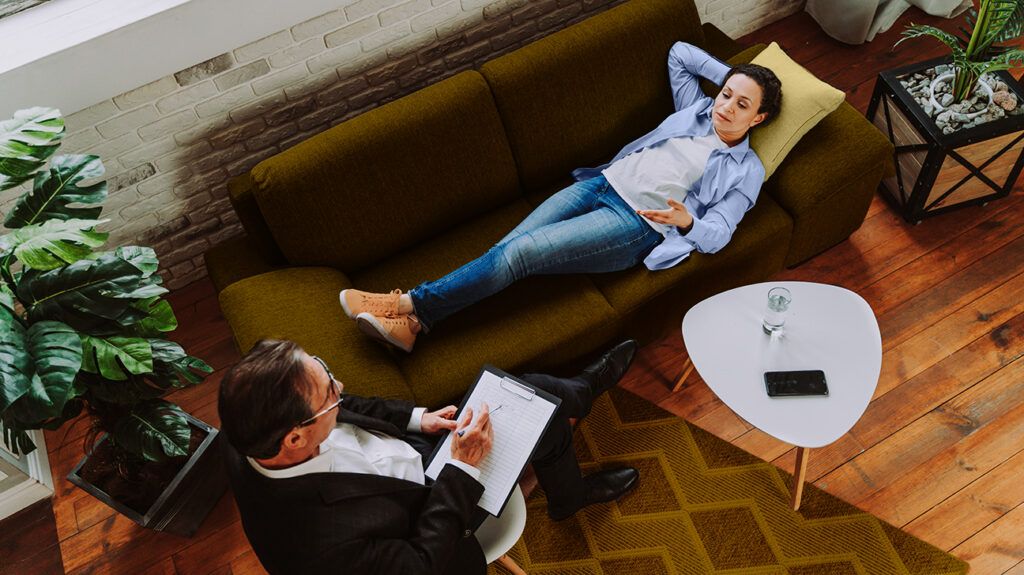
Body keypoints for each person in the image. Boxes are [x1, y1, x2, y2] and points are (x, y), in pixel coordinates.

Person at [339, 42, 783, 353]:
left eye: (743, 105)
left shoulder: (747, 171)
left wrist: (688, 222)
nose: (725, 106)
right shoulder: (696, 108)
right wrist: (734, 76)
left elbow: (719, 234)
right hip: (600, 183)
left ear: (759, 118)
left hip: (635, 225)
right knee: (506, 249)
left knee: (522, 254)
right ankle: (414, 327)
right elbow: (681, 55)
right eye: (726, 93)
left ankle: (405, 304)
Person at [218, 338, 642, 575]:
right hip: (435, 515)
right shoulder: (318, 551)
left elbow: (351, 407)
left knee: (524, 397)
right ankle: (584, 398)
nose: (340, 385)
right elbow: (424, 562)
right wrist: (462, 466)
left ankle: (578, 409)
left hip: (422, 453)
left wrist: (420, 419)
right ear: (295, 439)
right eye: (329, 390)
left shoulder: (249, 428)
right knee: (539, 411)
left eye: (326, 370)